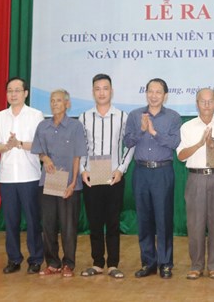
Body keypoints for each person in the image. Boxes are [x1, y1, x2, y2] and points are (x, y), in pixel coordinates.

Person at [124, 78, 181, 279]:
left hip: (162, 172)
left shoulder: (173, 117)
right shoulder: (134, 115)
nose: (154, 95)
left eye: (158, 92)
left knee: (164, 219)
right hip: (141, 172)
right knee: (144, 219)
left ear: (165, 96)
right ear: (146, 93)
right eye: (150, 91)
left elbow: (174, 143)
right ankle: (148, 262)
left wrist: (153, 132)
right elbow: (127, 141)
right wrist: (141, 129)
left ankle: (165, 263)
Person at [79, 74, 133, 279]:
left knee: (112, 222)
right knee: (94, 222)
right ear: (93, 92)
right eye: (97, 88)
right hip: (92, 176)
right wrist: (83, 170)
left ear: (112, 91)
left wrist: (121, 169)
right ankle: (97, 263)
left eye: (105, 88)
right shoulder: (84, 117)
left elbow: (130, 145)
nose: (101, 92)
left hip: (113, 176)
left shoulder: (122, 117)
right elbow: (80, 147)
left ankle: (113, 264)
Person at [176, 88, 214, 280]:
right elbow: (181, 156)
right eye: (203, 101)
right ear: (197, 103)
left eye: (210, 101)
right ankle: (196, 265)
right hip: (196, 178)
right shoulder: (188, 127)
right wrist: (200, 144)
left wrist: (213, 145)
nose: (207, 105)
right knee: (195, 224)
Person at [0, 77, 45, 275]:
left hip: (29, 175)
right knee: (11, 221)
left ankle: (36, 259)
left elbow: (40, 145)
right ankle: (14, 259)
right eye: (10, 91)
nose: (13, 94)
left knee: (32, 220)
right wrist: (6, 146)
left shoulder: (36, 115)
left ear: (25, 93)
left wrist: (19, 143)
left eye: (17, 90)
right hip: (7, 177)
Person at [32, 89, 87, 278]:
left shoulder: (75, 126)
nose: (55, 104)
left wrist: (73, 183)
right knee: (48, 225)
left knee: (68, 226)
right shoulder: (43, 126)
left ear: (67, 104)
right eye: (52, 100)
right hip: (48, 182)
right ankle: (52, 263)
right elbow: (39, 151)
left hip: (69, 183)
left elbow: (77, 156)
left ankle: (68, 264)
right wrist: (45, 158)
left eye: (59, 100)